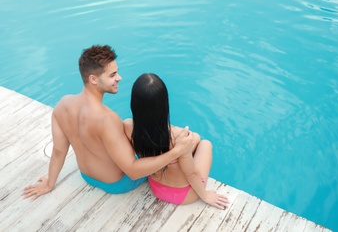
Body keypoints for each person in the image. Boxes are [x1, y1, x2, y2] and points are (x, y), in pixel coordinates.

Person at [23, 45, 193, 200]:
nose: (119, 78)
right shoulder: (108, 119)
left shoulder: (63, 104)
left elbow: (59, 151)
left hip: (87, 176)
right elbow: (133, 171)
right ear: (93, 79)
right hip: (118, 184)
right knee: (160, 138)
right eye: (112, 75)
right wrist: (176, 151)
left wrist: (49, 184)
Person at [124, 73, 230, 210]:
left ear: (134, 103)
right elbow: (192, 174)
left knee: (189, 146)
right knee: (205, 144)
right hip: (185, 196)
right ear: (164, 104)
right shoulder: (176, 135)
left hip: (156, 188)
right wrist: (205, 195)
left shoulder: (128, 127)